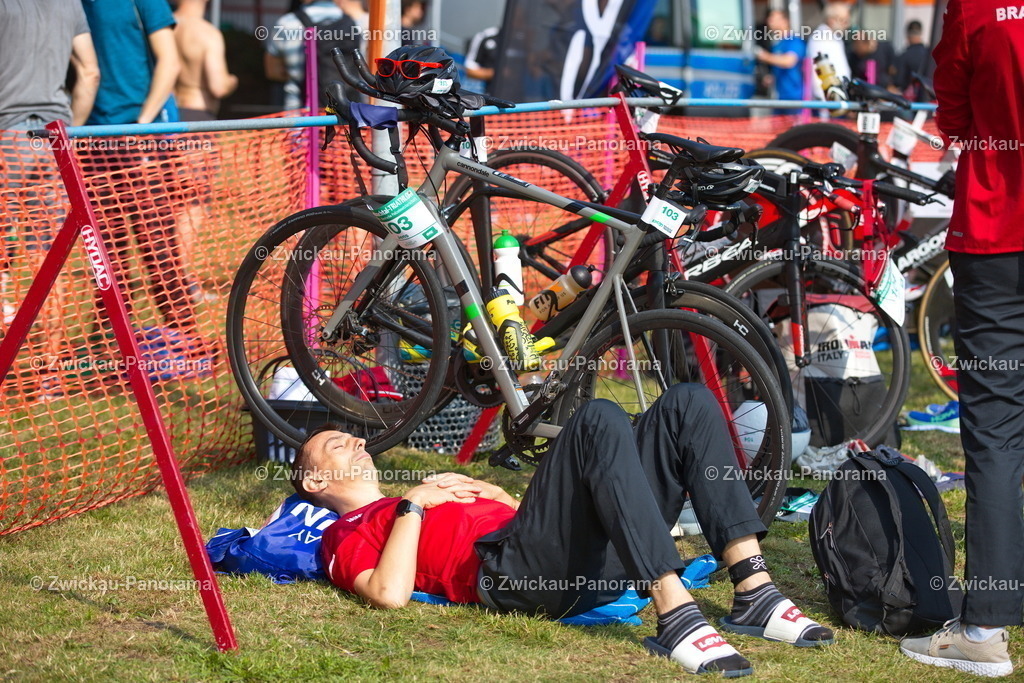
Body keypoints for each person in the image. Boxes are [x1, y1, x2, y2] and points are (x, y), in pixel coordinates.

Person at [304, 385, 834, 677]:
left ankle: (754, 589)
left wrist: (507, 499)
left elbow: (539, 517)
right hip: (514, 575)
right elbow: (389, 594)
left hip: (558, 549)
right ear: (314, 479)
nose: (351, 440)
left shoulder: (412, 498)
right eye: (334, 444)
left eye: (348, 435)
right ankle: (675, 614)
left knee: (688, 405)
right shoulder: (347, 530)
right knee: (598, 416)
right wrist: (415, 505)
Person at [899, 0, 1024, 677]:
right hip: (995, 232)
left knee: (998, 433)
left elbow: (950, 113)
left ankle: (985, 626)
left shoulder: (975, 9)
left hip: (998, 234)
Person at [81, 0, 203, 335]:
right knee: (104, 251)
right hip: (90, 138)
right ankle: (109, 337)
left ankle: (185, 335)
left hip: (140, 138)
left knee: (157, 246)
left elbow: (170, 62)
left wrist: (143, 123)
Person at [1, 0, 100, 398]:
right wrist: (67, 133)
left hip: (6, 137)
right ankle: (50, 375)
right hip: (53, 140)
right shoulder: (69, 4)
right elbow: (90, 73)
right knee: (50, 259)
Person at [264, 0, 345, 112]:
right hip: (346, 114)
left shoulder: (287, 23)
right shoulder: (355, 22)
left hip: (300, 115)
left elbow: (273, 72)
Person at [173, 0, 239, 121]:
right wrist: (232, 81)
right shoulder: (208, 33)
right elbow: (219, 88)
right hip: (196, 114)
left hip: (165, 112)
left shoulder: (160, 29)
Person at [754, 10, 806, 111]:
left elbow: (789, 61)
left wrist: (765, 56)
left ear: (785, 21)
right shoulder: (777, 45)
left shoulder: (794, 41)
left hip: (794, 99)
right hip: (779, 98)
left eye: (774, 18)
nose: (769, 21)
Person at [807, 2, 851, 100]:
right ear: (831, 20)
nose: (847, 24)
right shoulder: (821, 38)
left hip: (837, 95)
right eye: (844, 20)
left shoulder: (835, 37)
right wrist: (825, 97)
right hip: (829, 99)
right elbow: (817, 71)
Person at [894, 20, 930, 94]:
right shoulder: (930, 53)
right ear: (921, 33)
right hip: (931, 97)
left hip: (913, 102)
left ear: (907, 35)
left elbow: (899, 82)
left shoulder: (904, 56)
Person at [463, 26, 500, 91]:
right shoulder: (486, 36)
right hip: (489, 91)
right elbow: (470, 70)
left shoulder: (523, 40)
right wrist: (498, 73)